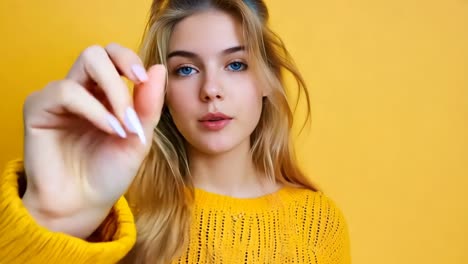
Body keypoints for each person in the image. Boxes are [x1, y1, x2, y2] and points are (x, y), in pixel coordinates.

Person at [0, 0, 351, 263]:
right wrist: (51, 219)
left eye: (235, 64)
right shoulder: (115, 219)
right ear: (162, 88)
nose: (211, 89)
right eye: (185, 70)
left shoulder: (318, 223)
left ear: (266, 79)